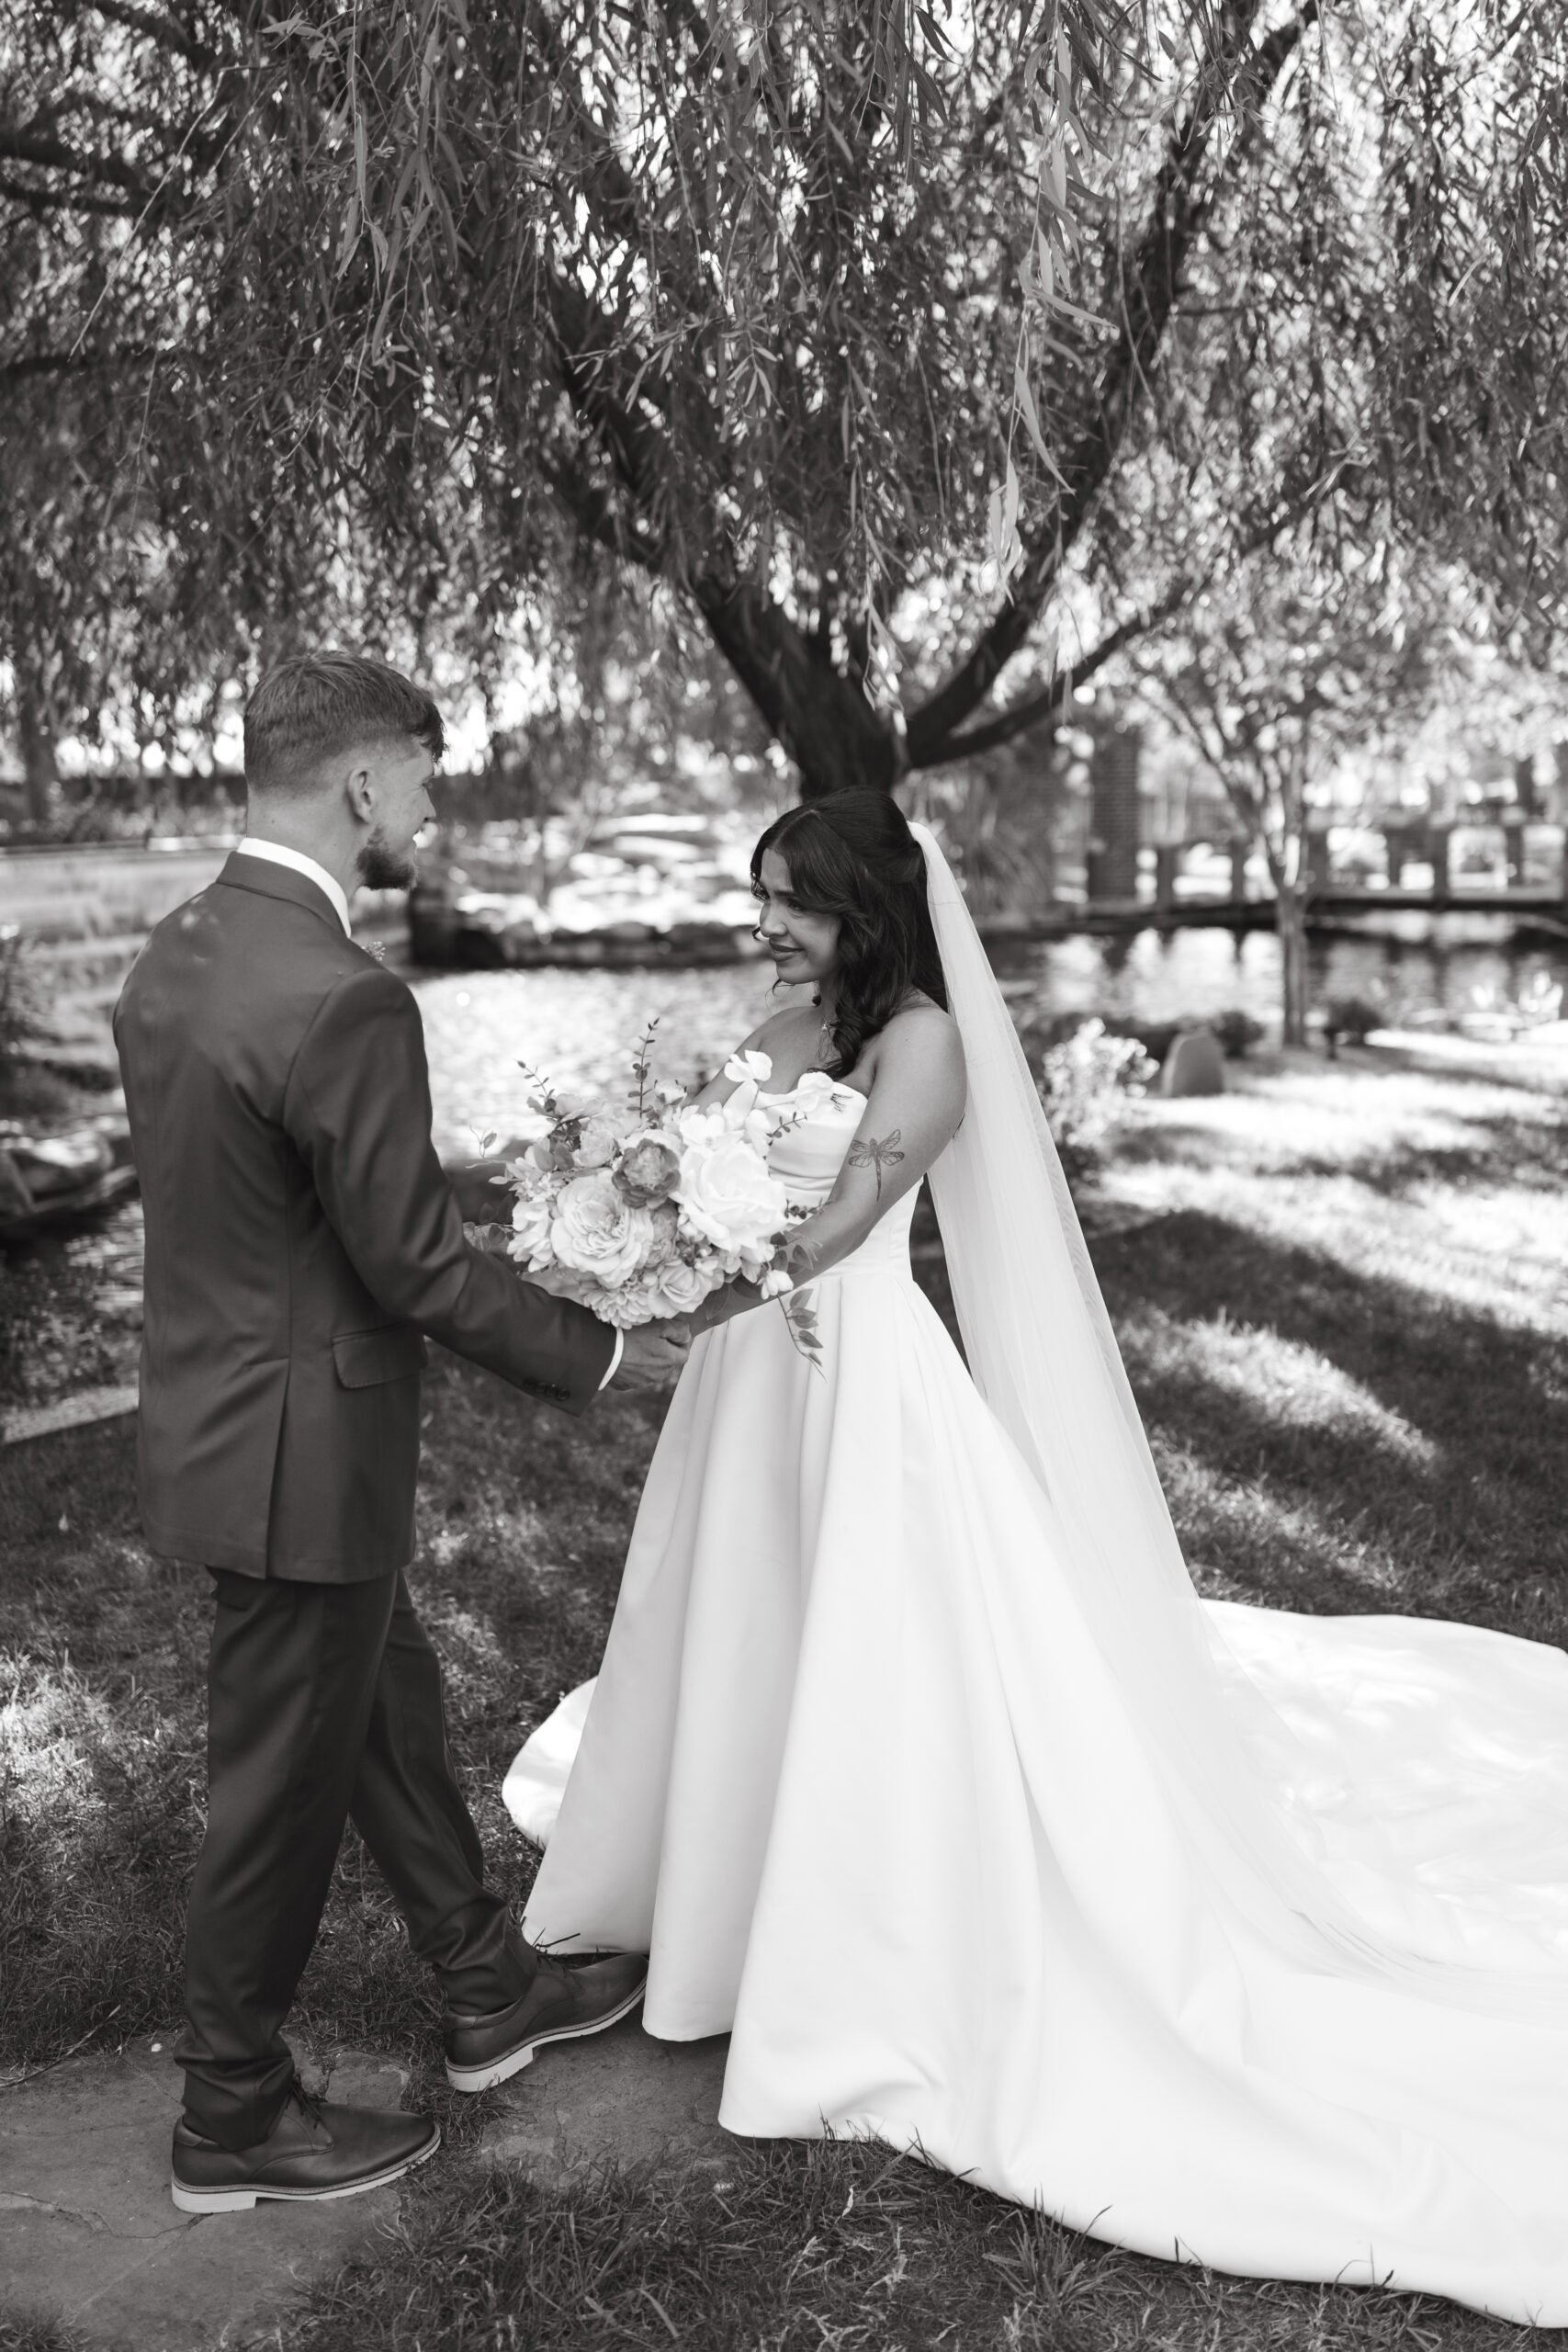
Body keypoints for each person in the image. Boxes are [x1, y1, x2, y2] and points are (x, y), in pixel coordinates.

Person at [511, 787, 1568, 2325]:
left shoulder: (924, 1044)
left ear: (866, 907)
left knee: (880, 1647)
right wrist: (624, 1213)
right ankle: (717, 1891)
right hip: (746, 1376)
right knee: (732, 1626)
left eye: (793, 904)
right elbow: (701, 1164)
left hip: (852, 1368)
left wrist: (699, 1256)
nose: (769, 929)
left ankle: (858, 1924)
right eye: (761, 902)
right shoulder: (777, 1021)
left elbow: (833, 1227)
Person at [114, 652, 688, 2216]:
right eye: (427, 778)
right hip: (308, 1458)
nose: (433, 807)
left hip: (226, 1430)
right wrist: (606, 1351)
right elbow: (413, 1261)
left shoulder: (173, 953)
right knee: (274, 1792)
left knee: (387, 1709)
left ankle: (486, 1989)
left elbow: (257, 1217)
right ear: (363, 779)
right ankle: (230, 2113)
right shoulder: (344, 993)